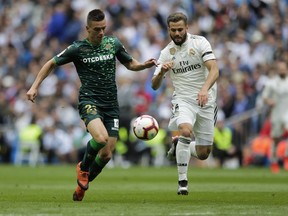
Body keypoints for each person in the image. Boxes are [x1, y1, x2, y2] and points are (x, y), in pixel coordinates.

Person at [27, 9, 157, 201]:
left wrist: (144, 65)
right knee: (101, 138)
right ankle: (82, 168)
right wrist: (34, 86)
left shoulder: (113, 43)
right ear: (87, 29)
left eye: (104, 28)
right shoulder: (78, 48)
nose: (101, 32)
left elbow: (130, 64)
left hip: (111, 104)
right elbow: (50, 63)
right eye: (97, 29)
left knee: (106, 155)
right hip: (90, 101)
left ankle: (81, 188)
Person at [151, 12, 219, 195]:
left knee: (204, 153)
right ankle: (183, 182)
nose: (177, 33)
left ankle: (180, 145)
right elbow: (154, 86)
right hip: (183, 99)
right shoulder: (166, 53)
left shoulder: (200, 42)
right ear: (168, 30)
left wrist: (204, 89)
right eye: (173, 30)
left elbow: (214, 69)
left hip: (206, 99)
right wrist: (161, 73)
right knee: (186, 130)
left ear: (187, 28)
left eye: (180, 29)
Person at [262, 59, 288, 173]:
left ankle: (286, 157)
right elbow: (264, 97)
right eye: (280, 69)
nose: (282, 70)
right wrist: (269, 101)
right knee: (276, 140)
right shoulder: (271, 83)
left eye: (284, 68)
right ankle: (274, 161)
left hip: (287, 113)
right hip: (276, 114)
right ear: (277, 70)